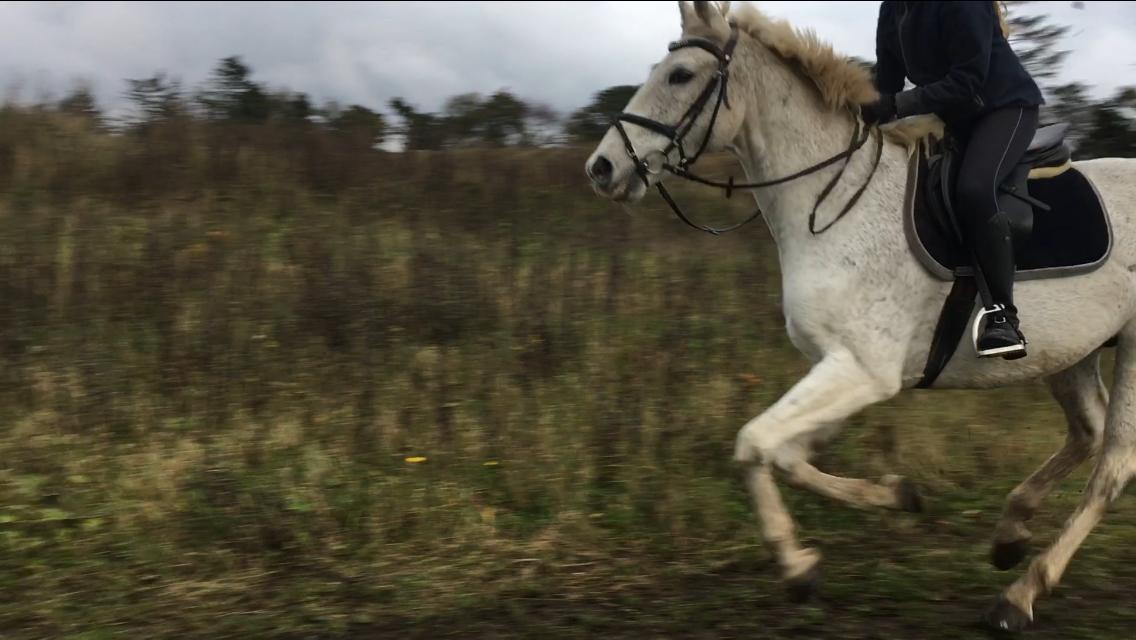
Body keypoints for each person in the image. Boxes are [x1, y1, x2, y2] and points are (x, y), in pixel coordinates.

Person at [861, 1, 1044, 360]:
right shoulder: (892, 9)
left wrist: (897, 104)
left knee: (974, 190)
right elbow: (888, 81)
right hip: (959, 121)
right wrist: (854, 100)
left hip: (1007, 109)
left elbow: (967, 80)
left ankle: (1003, 317)